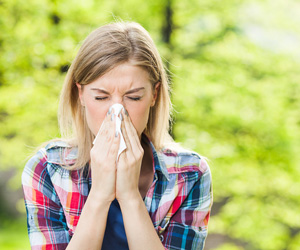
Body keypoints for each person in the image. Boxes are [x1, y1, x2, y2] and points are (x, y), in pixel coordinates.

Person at [22, 21, 213, 250]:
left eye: (133, 97)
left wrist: (130, 196)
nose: (117, 113)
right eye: (101, 97)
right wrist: (100, 195)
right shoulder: (47, 170)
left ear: (154, 94)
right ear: (81, 94)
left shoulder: (190, 174)